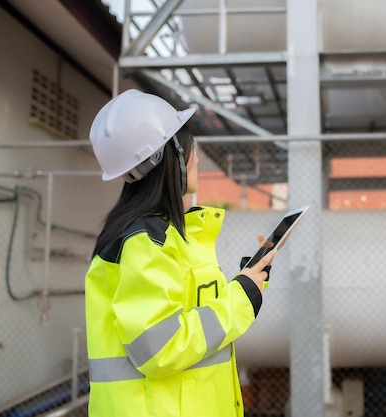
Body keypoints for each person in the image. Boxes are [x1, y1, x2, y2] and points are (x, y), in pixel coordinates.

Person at [84, 89, 274, 417]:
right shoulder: (145, 242)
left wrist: (246, 282)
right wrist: (240, 300)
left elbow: (191, 311)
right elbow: (161, 348)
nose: (196, 158)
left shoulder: (159, 236)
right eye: (190, 149)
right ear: (165, 157)